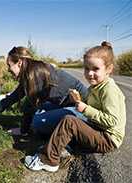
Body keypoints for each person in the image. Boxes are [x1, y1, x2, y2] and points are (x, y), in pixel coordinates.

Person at [25, 41, 126, 172]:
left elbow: (113, 121)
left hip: (108, 139)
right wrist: (79, 100)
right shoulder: (95, 87)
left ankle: (49, 160)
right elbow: (94, 108)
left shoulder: (109, 90)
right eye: (87, 69)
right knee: (71, 121)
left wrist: (85, 109)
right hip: (98, 128)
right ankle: (59, 148)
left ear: (109, 69)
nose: (90, 73)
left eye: (95, 69)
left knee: (69, 121)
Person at [0, 46, 87, 136]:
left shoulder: (35, 75)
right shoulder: (31, 72)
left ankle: (72, 127)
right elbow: (11, 99)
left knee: (37, 123)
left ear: (19, 63)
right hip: (64, 103)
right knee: (38, 112)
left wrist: (23, 130)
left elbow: (29, 106)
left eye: (9, 65)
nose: (8, 70)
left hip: (81, 108)